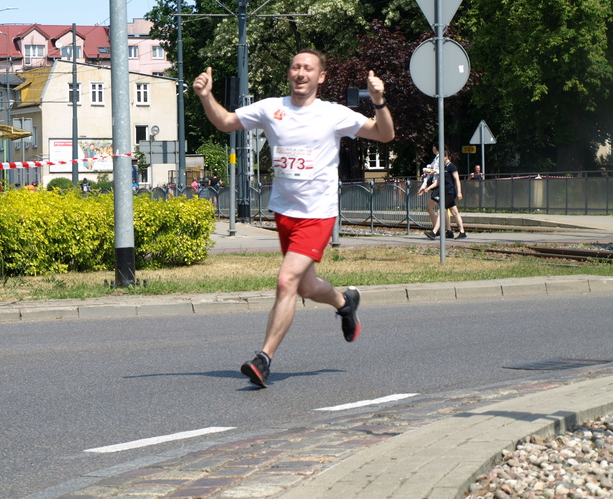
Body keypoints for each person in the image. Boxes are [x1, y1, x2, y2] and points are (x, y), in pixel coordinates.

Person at [192, 48, 395, 388]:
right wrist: (205, 96)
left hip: (318, 214)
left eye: (308, 68)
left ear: (321, 77)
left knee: (286, 282)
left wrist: (378, 101)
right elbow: (225, 122)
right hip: (285, 213)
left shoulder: (333, 114)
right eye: (296, 67)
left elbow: (384, 134)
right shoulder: (271, 109)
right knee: (305, 285)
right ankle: (345, 303)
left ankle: (264, 359)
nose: (301, 73)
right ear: (290, 74)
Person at [422, 145, 467, 240]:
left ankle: (434, 232)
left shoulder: (452, 167)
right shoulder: (443, 168)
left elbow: (457, 180)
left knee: (441, 210)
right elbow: (439, 181)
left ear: (446, 157)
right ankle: (462, 232)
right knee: (455, 212)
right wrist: (429, 187)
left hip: (450, 192)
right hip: (445, 192)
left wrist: (459, 192)